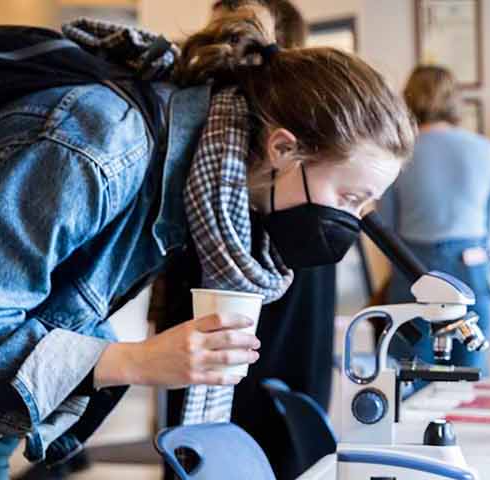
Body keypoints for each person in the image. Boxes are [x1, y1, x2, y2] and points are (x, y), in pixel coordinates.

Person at [0, 9, 415, 479]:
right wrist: (136, 361)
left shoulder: (196, 182)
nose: (353, 219)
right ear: (283, 148)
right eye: (350, 197)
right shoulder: (95, 148)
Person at [147, 2, 334, 479]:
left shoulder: (212, 127)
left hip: (218, 296)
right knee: (281, 428)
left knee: (218, 432)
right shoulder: (304, 147)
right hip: (266, 306)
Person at [377, 65, 490, 374]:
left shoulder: (400, 149)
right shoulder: (484, 149)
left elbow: (386, 221)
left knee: (410, 369)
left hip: (413, 263)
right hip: (471, 262)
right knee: (470, 367)